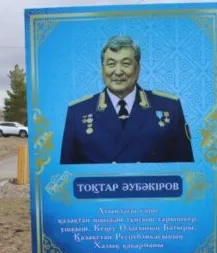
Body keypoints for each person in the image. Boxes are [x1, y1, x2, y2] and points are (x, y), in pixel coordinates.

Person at [60, 35, 194, 165]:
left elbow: (185, 171)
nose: (118, 72)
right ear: (102, 69)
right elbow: (67, 174)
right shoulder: (78, 112)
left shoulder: (169, 107)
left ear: (138, 68)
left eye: (126, 63)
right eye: (111, 64)